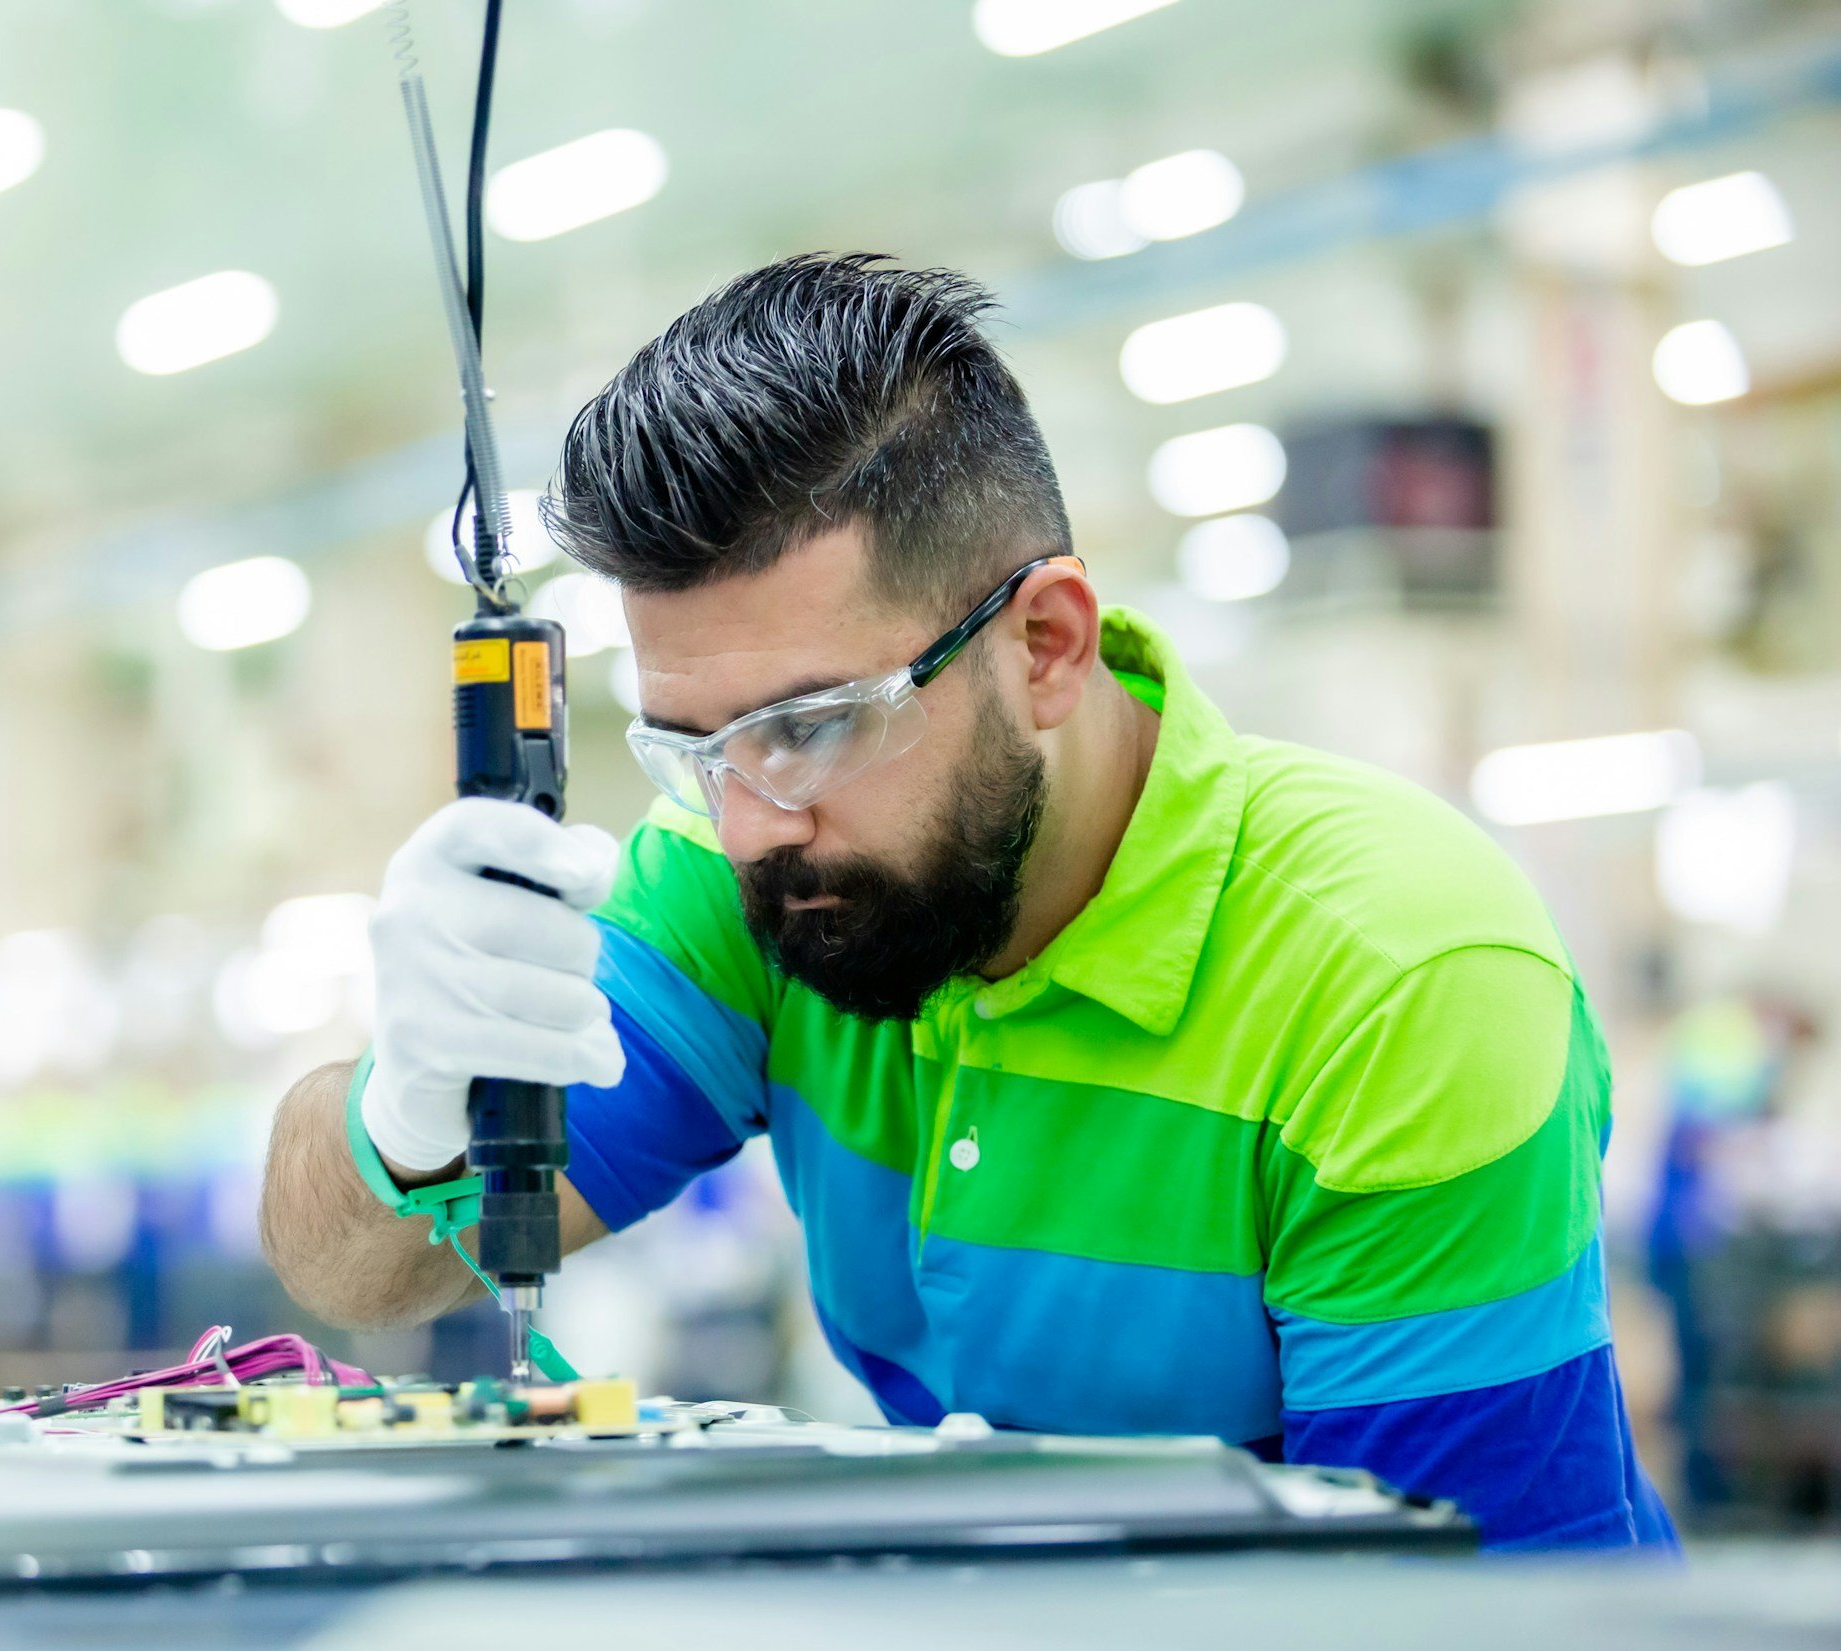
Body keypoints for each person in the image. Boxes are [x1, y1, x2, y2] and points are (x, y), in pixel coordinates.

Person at [260, 253, 1675, 1551]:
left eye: (812, 724)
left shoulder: (1395, 973)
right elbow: (360, 1272)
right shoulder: (752, 873)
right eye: (692, 747)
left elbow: (1449, 1618)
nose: (754, 823)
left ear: (1047, 646)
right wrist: (407, 1108)